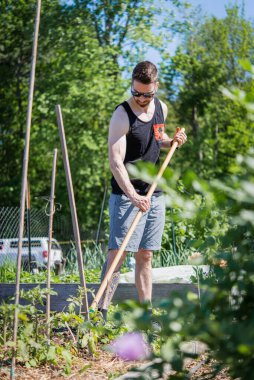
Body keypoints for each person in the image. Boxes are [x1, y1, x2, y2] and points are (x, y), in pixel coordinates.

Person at [98, 61, 187, 320]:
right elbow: (115, 162)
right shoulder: (122, 115)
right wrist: (133, 196)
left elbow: (158, 140)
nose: (141, 98)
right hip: (127, 195)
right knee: (118, 254)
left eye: (146, 94)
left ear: (155, 88)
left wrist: (174, 142)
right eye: (136, 92)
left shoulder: (161, 108)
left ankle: (146, 315)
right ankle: (100, 312)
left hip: (154, 194)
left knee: (145, 254)